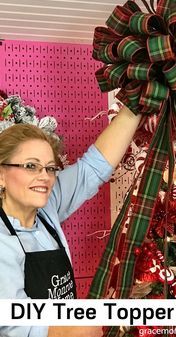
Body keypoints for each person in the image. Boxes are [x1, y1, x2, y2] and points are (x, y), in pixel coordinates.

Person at [0, 105, 141, 337]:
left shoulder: (47, 208)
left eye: (50, 168)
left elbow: (93, 168)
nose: (44, 176)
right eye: (30, 166)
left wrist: (136, 105)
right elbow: (13, 324)